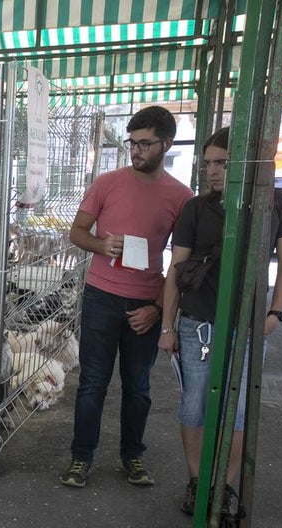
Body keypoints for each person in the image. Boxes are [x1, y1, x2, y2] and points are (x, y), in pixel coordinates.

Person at [157, 126, 282, 514]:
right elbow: (176, 268)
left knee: (236, 411)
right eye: (208, 164)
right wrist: (168, 326)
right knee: (194, 405)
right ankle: (197, 481)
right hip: (197, 324)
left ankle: (225, 487)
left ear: (247, 164)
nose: (213, 171)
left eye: (222, 162)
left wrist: (275, 314)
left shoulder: (276, 202)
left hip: (249, 325)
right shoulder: (196, 208)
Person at [60, 106, 194, 489]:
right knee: (92, 383)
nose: (135, 150)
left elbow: (181, 264)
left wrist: (157, 309)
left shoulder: (182, 197)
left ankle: (133, 456)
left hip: (145, 305)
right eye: (132, 142)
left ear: (166, 144)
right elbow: (77, 232)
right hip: (100, 296)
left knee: (138, 387)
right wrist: (102, 245)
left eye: (145, 143)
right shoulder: (107, 183)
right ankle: (81, 458)